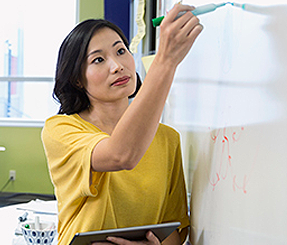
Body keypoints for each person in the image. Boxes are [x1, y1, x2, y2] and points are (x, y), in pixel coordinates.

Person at [41, 5, 203, 245]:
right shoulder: (60, 129)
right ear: (77, 79)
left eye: (121, 51)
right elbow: (120, 155)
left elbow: (175, 229)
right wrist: (165, 61)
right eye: (98, 59)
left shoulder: (168, 139)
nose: (117, 66)